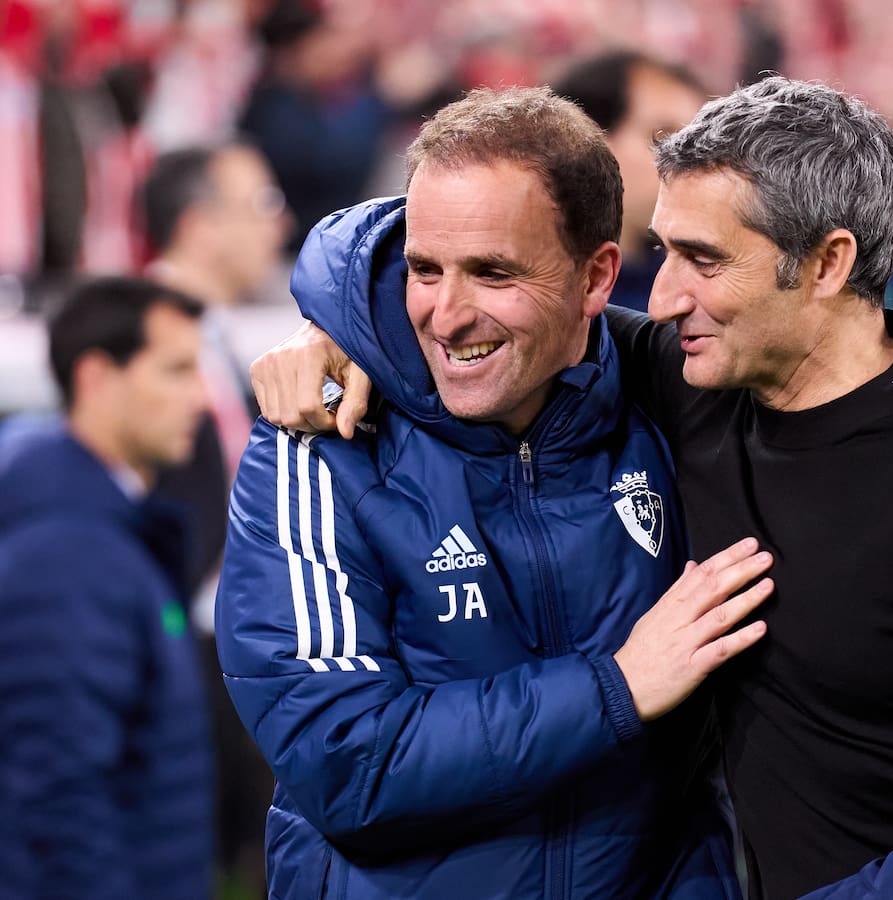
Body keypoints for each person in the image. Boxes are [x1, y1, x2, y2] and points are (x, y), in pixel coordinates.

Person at [254, 78, 893, 899]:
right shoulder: (688, 388)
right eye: (664, 252)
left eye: (704, 259)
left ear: (828, 263)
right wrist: (337, 331)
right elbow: (498, 287)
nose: (667, 297)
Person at [215, 86, 774, 898]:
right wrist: (617, 687)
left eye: (492, 272)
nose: (446, 315)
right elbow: (344, 762)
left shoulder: (674, 404)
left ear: (596, 277)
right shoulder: (319, 441)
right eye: (424, 269)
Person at [0, 276, 213, 899]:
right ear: (96, 378)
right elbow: (58, 794)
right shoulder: (67, 554)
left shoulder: (106, 531)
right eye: (175, 371)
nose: (200, 398)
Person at [141, 140, 292, 900]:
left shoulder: (216, 337)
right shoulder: (138, 336)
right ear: (199, 226)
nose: (280, 223)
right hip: (184, 642)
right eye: (262, 204)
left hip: (230, 635)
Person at [552, 50, 708, 312]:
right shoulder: (539, 295)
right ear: (585, 143)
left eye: (700, 142)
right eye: (664, 137)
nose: (695, 161)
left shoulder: (699, 284)